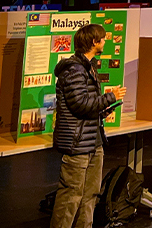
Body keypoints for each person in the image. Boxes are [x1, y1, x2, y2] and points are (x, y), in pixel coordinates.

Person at [51, 22, 125, 228]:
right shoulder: (74, 70)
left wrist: (104, 110)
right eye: (103, 38)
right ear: (94, 42)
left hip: (93, 140)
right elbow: (79, 104)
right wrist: (110, 97)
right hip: (78, 143)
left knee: (90, 194)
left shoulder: (88, 67)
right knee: (70, 196)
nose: (105, 41)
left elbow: (87, 106)